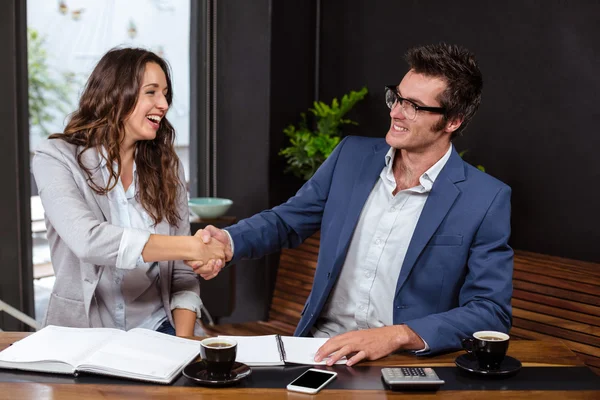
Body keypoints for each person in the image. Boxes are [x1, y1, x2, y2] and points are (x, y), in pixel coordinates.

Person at [192, 43, 513, 364]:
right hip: (320, 349)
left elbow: (490, 311)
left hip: (403, 359)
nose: (395, 112)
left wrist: (399, 334)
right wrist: (230, 241)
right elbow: (287, 221)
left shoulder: (485, 199)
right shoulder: (351, 156)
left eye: (413, 106)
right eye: (397, 97)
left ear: (452, 121)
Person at [32, 47, 226, 337]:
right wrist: (192, 246)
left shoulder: (168, 167)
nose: (163, 103)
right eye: (151, 92)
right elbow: (87, 240)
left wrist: (180, 346)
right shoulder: (55, 158)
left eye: (165, 93)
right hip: (81, 335)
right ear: (116, 94)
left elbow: (183, 276)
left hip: (159, 330)